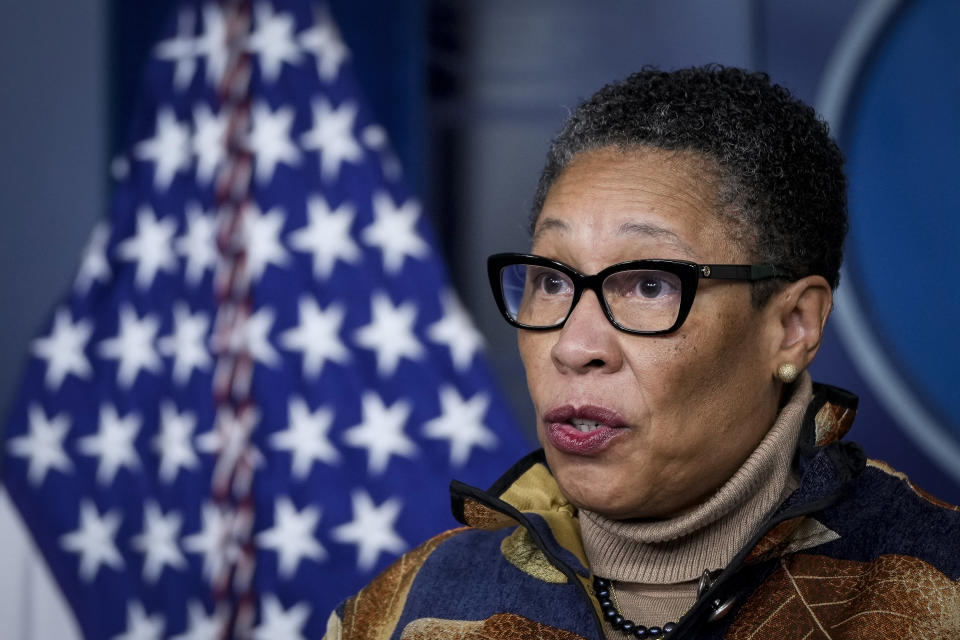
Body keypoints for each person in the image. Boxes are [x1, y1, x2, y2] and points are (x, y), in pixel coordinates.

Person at [324, 66, 960, 639]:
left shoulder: (936, 594)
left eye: (650, 285)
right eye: (552, 280)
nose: (574, 346)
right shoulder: (403, 610)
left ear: (793, 325)